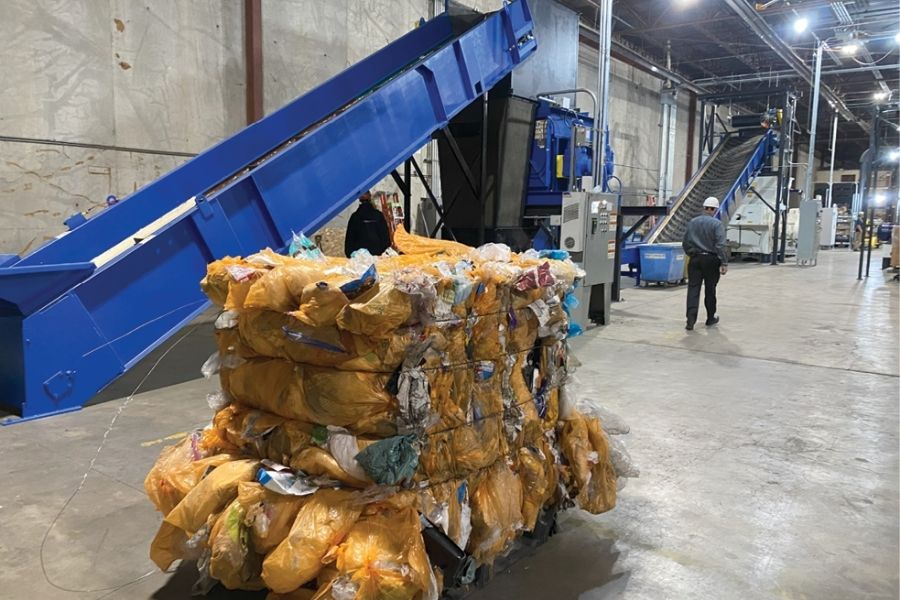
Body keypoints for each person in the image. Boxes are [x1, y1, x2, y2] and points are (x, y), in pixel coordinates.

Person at [682, 196, 728, 331]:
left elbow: (685, 242)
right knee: (710, 289)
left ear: (704, 208)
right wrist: (724, 262)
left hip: (695, 259)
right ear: (715, 209)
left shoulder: (692, 222)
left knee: (693, 289)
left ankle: (690, 320)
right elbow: (720, 245)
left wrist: (691, 254)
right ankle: (710, 317)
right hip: (711, 260)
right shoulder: (717, 224)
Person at [344, 191, 391, 257]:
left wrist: (352, 255)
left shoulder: (355, 217)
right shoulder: (378, 215)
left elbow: (349, 243)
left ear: (359, 198)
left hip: (359, 259)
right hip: (378, 259)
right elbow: (386, 240)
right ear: (370, 196)